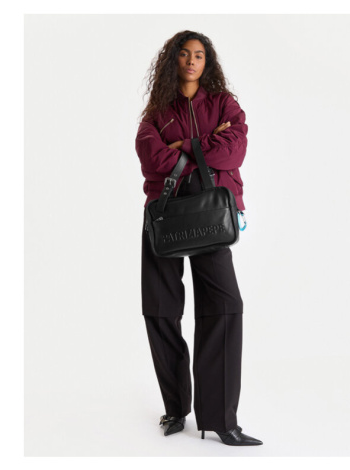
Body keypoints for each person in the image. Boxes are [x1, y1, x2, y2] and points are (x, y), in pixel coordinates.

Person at [135, 30, 262, 446]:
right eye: (185, 54)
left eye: (200, 55)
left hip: (210, 214)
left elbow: (234, 149)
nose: (192, 60)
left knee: (224, 306)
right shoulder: (156, 113)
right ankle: (175, 408)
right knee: (160, 308)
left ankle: (221, 420)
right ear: (172, 59)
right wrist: (206, 147)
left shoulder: (224, 104)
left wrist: (187, 145)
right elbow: (152, 157)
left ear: (208, 63)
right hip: (166, 213)